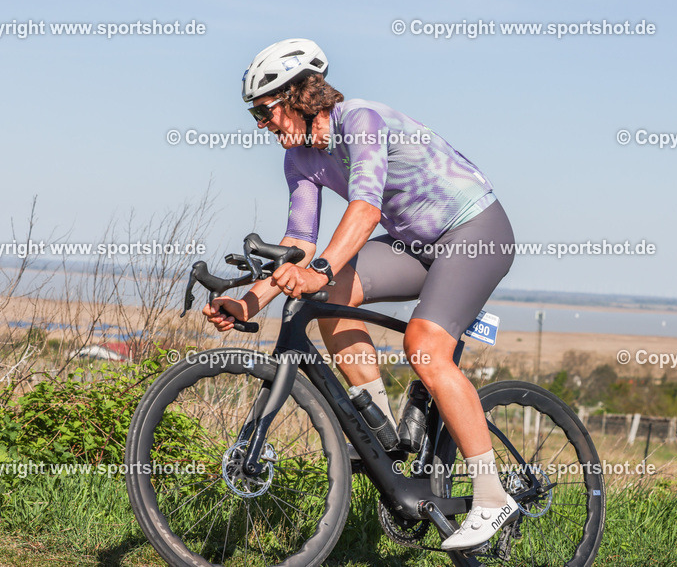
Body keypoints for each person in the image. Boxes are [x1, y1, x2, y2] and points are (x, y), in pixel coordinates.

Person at [203, 38, 517, 550]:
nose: (264, 126)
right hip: (412, 243)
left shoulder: (361, 120)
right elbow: (298, 245)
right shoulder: (300, 158)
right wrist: (249, 302)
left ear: (300, 96)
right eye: (256, 117)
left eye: (266, 112)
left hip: (474, 230)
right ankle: (382, 439)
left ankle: (491, 495)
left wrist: (321, 268)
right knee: (322, 301)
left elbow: (365, 209)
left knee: (424, 345)